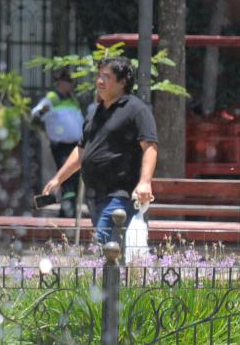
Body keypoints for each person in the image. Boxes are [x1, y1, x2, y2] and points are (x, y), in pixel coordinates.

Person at [42, 57, 157, 244]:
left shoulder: (136, 110)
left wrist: (145, 182)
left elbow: (150, 147)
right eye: (99, 76)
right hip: (95, 195)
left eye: (106, 76)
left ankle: (103, 271)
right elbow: (81, 151)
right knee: (113, 248)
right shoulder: (94, 112)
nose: (99, 81)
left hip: (120, 194)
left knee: (103, 242)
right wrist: (58, 179)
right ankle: (117, 273)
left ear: (122, 82)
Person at [30, 69, 84, 217]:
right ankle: (67, 212)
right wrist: (42, 111)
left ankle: (69, 209)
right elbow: (36, 113)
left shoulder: (72, 99)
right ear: (61, 83)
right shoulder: (52, 97)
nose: (72, 85)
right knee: (66, 177)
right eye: (70, 82)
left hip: (76, 145)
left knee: (74, 177)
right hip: (61, 146)